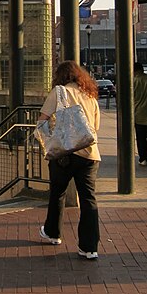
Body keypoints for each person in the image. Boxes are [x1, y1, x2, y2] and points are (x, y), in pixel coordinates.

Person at [37, 61, 101, 259]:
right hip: (89, 153)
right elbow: (95, 127)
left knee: (57, 192)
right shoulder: (90, 95)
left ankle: (53, 233)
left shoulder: (59, 92)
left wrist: (49, 140)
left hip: (64, 153)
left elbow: (42, 120)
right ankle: (89, 248)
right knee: (88, 199)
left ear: (60, 76)